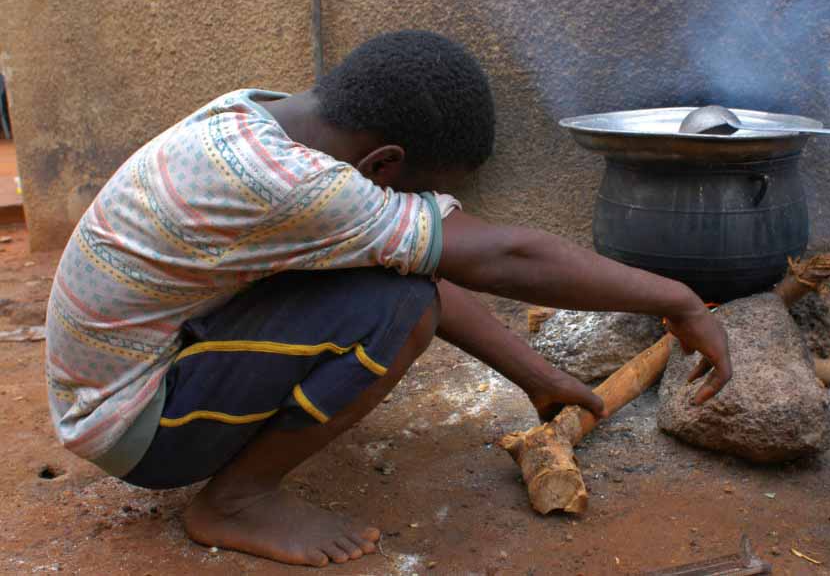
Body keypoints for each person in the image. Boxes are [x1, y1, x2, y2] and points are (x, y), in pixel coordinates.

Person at [45, 30, 732, 567]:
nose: (418, 210)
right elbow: (504, 257)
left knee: (394, 279)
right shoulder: (306, 189)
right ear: (384, 165)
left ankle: (237, 466)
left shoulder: (257, 117)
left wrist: (542, 380)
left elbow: (420, 265)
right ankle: (237, 499)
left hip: (130, 371)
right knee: (397, 311)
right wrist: (681, 299)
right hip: (135, 424)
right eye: (416, 192)